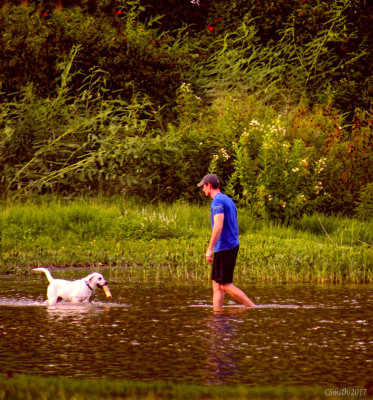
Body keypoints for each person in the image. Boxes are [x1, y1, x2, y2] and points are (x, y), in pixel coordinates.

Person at [197, 174, 256, 310]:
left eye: (203, 187)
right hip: (225, 246)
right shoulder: (227, 199)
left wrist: (209, 248)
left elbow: (218, 225)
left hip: (225, 246)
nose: (202, 190)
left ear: (209, 186)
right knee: (216, 284)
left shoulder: (217, 201)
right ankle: (217, 315)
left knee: (225, 284)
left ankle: (253, 307)